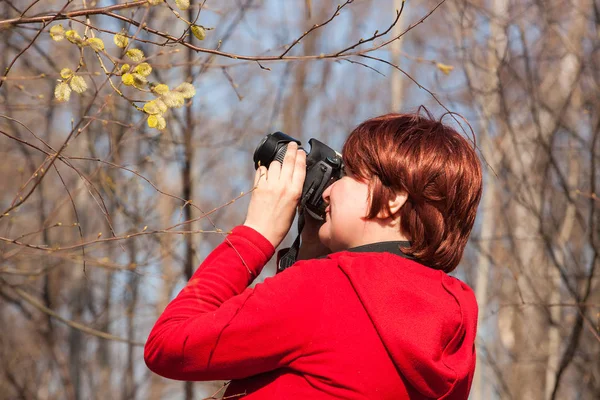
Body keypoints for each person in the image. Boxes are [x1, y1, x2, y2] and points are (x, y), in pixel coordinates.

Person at [144, 110, 483, 399]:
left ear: (393, 198)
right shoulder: (454, 324)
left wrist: (255, 235)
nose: (330, 190)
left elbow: (168, 346)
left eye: (349, 176)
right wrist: (309, 254)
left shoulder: (322, 291)